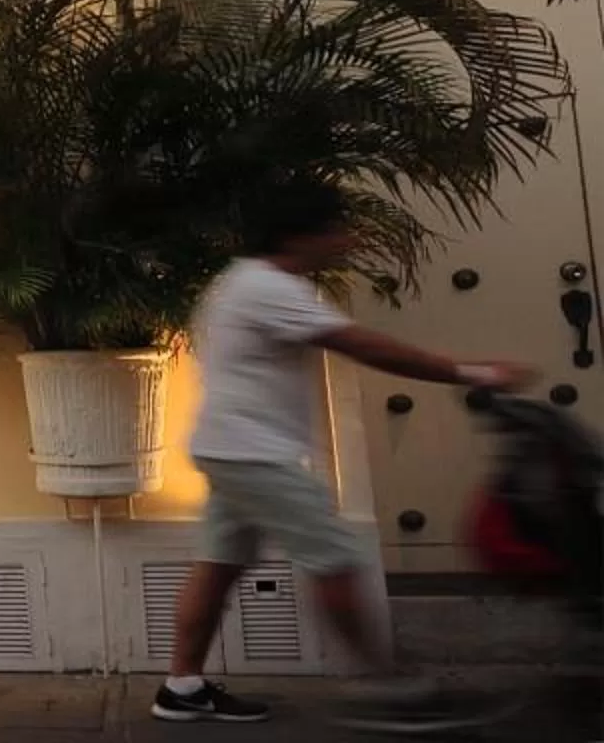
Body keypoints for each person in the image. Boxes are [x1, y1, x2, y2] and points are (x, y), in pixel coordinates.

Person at [157, 180, 527, 730]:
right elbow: (362, 344)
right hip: (256, 454)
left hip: (229, 448)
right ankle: (390, 689)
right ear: (300, 234)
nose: (347, 240)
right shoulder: (269, 287)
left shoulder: (238, 282)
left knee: (218, 563)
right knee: (335, 558)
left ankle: (181, 688)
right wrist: (471, 372)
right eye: (337, 229)